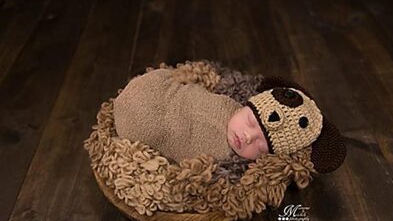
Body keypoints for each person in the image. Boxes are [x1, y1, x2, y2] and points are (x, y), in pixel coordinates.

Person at [113, 68, 324, 163]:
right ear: (244, 105)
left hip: (152, 126)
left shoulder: (227, 162)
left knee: (149, 127)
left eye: (261, 146)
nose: (248, 137)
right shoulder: (227, 102)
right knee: (162, 86)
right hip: (157, 91)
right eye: (250, 121)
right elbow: (194, 94)